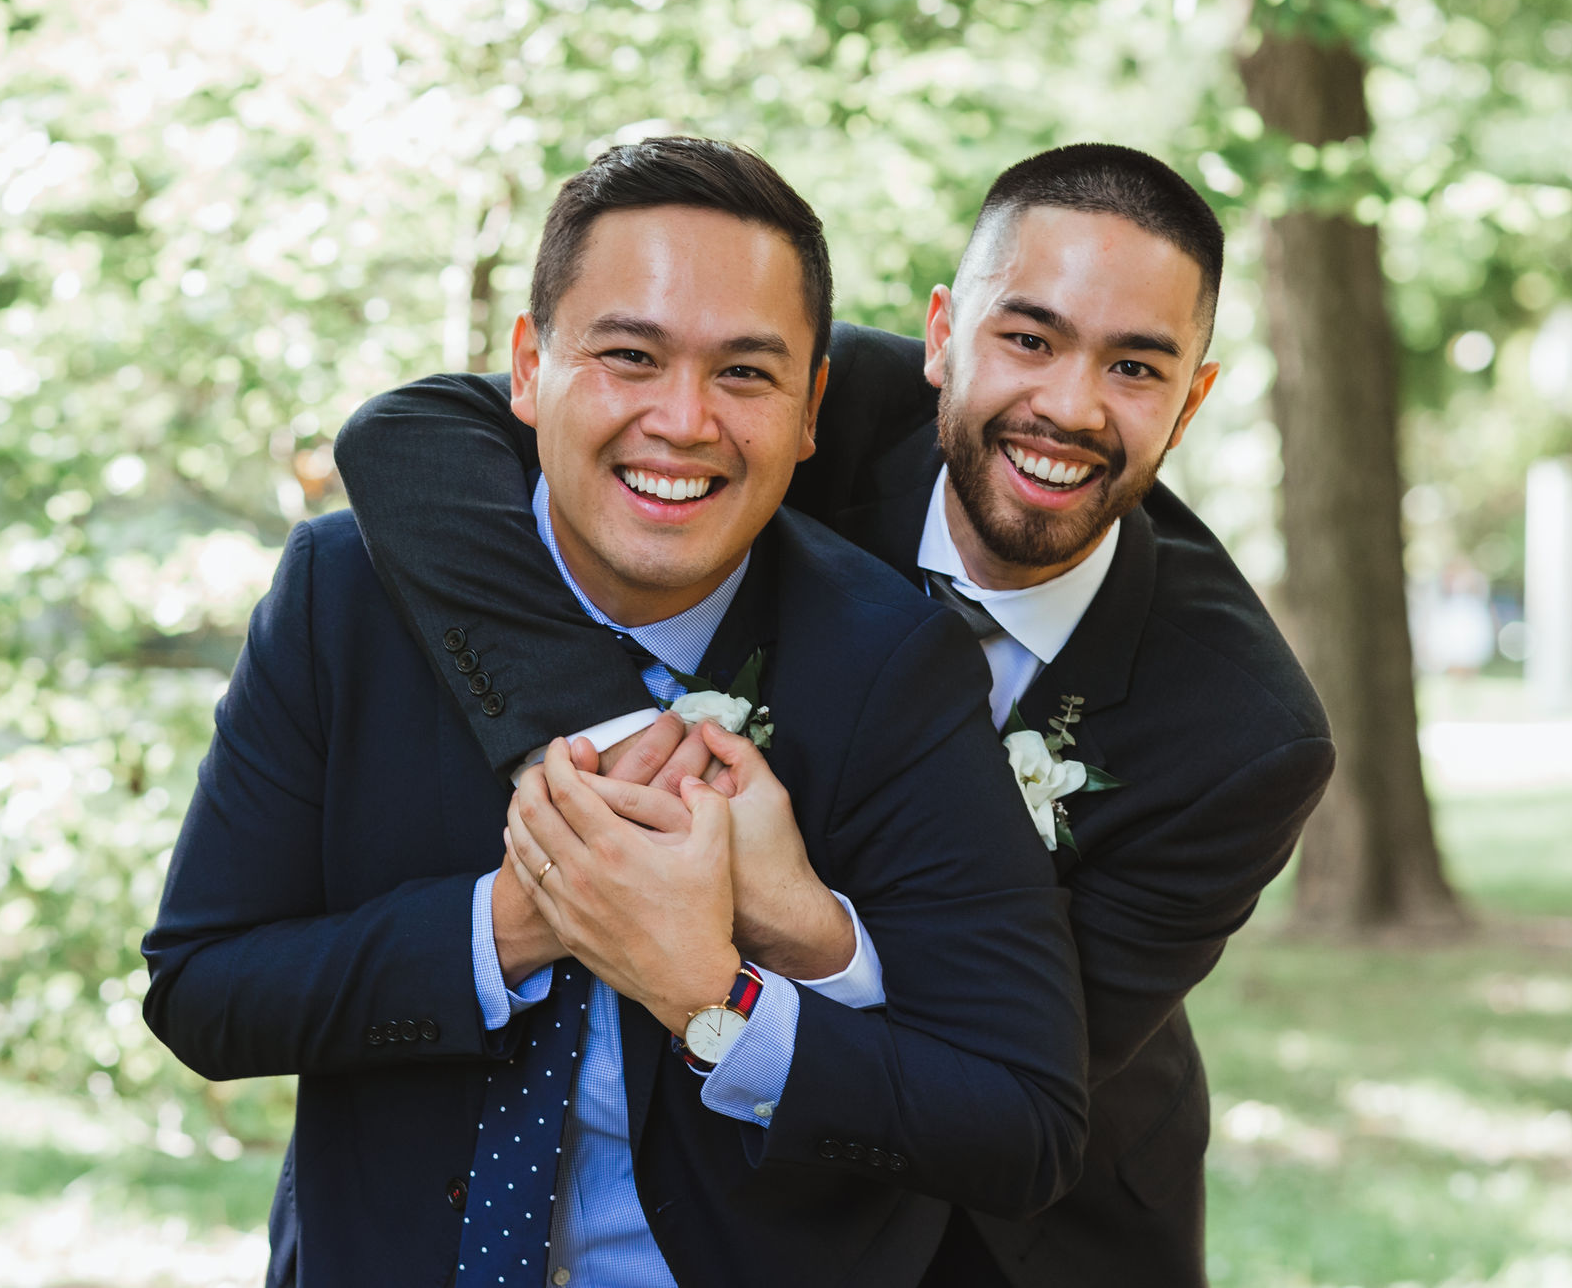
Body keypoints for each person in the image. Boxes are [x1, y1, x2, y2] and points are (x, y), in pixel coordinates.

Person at [337, 142, 1336, 1286]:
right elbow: (406, 439)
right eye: (1027, 338)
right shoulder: (787, 406)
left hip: (1020, 1231)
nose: (1066, 403)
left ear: (1190, 399)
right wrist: (606, 744)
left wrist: (797, 921)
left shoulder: (1243, 734)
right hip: (726, 1180)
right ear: (942, 335)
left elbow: (1011, 1056)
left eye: (1135, 367)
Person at [143, 136, 1087, 1288]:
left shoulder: (892, 664)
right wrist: (510, 921)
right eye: (629, 355)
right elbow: (201, 987)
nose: (683, 420)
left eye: (744, 373)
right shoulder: (346, 595)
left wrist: (724, 985)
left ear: (808, 408)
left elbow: (1021, 1123)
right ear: (529, 368)